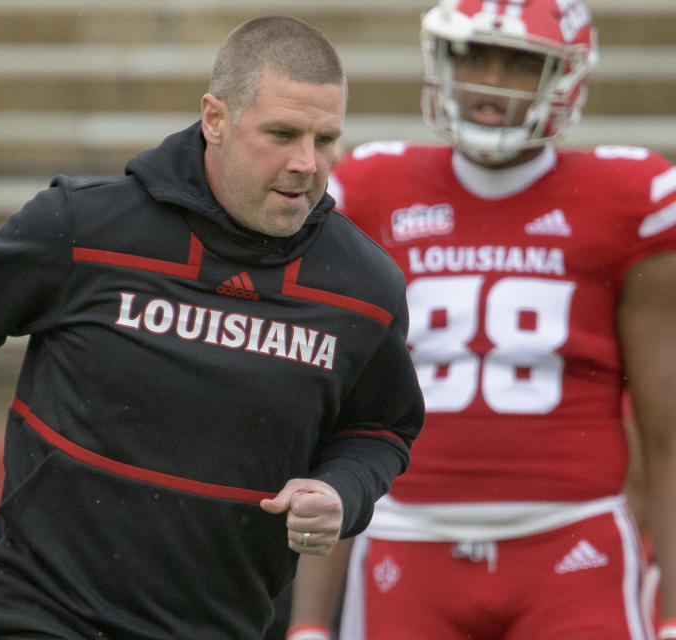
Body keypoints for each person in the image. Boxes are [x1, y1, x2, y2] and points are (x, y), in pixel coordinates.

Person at [0, 15, 425, 640]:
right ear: (215, 119)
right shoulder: (83, 226)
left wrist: (342, 492)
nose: (306, 163)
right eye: (282, 133)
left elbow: (381, 428)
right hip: (38, 618)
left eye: (325, 139)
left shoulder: (364, 287)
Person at [287, 0, 676, 638]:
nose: (490, 79)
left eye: (521, 61)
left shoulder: (631, 198)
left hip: (572, 546)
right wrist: (307, 622)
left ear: (565, 76)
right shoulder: (373, 187)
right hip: (405, 545)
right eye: (474, 54)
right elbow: (333, 415)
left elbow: (667, 432)